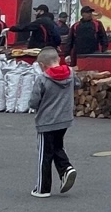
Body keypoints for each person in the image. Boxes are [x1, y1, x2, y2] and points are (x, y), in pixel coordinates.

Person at [30, 48, 77, 197]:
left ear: (43, 65)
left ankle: (42, 188)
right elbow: (78, 84)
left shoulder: (42, 79)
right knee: (57, 146)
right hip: (65, 118)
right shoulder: (71, 72)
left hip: (47, 121)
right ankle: (65, 169)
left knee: (44, 154)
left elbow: (33, 101)